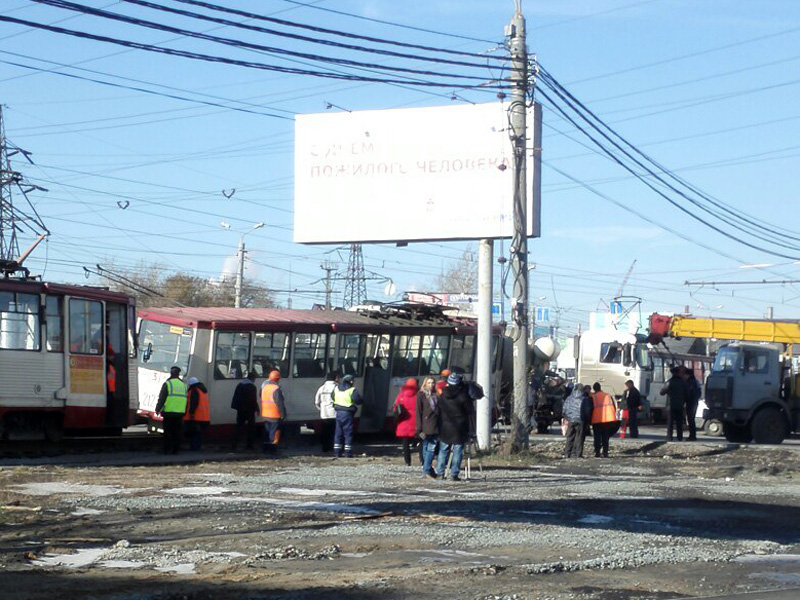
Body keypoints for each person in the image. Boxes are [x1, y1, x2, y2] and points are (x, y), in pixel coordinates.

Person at [436, 371, 473, 481]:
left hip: (446, 425)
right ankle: (454, 473)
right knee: (458, 450)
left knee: (443, 450)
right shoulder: (463, 395)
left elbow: (439, 409)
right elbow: (469, 410)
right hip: (459, 426)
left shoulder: (443, 395)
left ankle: (440, 472)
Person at [155, 366, 187, 455]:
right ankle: (175, 450)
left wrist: (157, 409)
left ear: (171, 373)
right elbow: (186, 399)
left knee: (168, 432)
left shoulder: (168, 384)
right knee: (177, 432)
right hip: (180, 413)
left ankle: (166, 449)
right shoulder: (183, 385)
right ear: (178, 374)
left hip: (169, 412)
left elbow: (162, 398)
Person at [332, 374, 363, 457]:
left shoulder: (336, 388)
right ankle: (348, 452)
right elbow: (358, 400)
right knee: (348, 433)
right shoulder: (352, 390)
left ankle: (337, 452)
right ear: (351, 381)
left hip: (338, 413)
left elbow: (332, 397)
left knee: (338, 433)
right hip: (348, 414)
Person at [416, 376, 440, 479]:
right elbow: (418, 411)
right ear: (425, 384)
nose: (431, 385)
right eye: (429, 383)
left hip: (435, 424)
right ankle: (426, 470)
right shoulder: (421, 395)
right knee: (429, 448)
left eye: (433, 383)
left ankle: (427, 470)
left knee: (428, 448)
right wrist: (419, 427)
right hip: (426, 425)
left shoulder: (436, 395)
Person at [392, 377, 419, 467]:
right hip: (415, 422)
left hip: (404, 422)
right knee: (421, 442)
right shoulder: (419, 396)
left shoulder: (401, 396)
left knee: (405, 444)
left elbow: (395, 408)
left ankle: (408, 462)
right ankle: (422, 461)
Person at [231, 372, 259, 452]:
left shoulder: (240, 385)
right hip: (249, 410)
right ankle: (249, 445)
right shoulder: (252, 387)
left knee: (238, 427)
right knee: (251, 428)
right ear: (253, 378)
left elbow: (235, 397)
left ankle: (234, 445)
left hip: (240, 410)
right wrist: (257, 409)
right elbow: (253, 399)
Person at [261, 370, 287, 455]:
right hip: (274, 414)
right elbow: (279, 403)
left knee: (267, 431)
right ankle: (272, 449)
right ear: (277, 379)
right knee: (274, 432)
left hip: (265, 413)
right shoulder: (276, 389)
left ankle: (265, 448)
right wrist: (283, 414)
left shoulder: (264, 388)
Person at [590, 382, 618, 458]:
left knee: (597, 438)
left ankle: (597, 453)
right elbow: (614, 407)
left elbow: (590, 408)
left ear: (594, 389)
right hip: (607, 420)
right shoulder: (608, 395)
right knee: (605, 437)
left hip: (596, 420)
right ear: (600, 387)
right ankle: (605, 453)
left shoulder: (593, 397)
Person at [660, 366, 688, 441]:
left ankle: (669, 437)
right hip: (680, 405)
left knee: (670, 422)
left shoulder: (669, 382)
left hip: (671, 405)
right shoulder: (683, 382)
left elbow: (662, 392)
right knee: (679, 422)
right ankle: (680, 437)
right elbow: (687, 393)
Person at [314, 371, 339, 452]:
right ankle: (332, 448)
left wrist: (321, 409)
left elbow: (316, 401)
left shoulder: (321, 388)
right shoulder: (337, 387)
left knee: (325, 432)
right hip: (334, 413)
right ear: (335, 378)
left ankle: (325, 448)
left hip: (324, 414)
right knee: (333, 432)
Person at [184, 376, 210, 451]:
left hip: (196, 416)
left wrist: (191, 413)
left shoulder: (194, 390)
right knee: (199, 433)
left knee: (194, 433)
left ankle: (194, 448)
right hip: (204, 417)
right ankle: (197, 447)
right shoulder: (203, 390)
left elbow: (194, 402)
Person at [562, 384, 587, 458]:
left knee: (569, 437)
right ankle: (578, 454)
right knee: (579, 437)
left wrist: (567, 417)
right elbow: (587, 410)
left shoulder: (569, 398)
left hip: (571, 420)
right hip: (581, 420)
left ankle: (567, 453)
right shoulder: (584, 398)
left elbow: (564, 408)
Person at [683, 368, 701, 441]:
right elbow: (699, 393)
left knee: (690, 419)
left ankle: (692, 436)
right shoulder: (696, 382)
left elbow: (687, 393)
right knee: (691, 419)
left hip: (690, 402)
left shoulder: (689, 382)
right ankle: (693, 435)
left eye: (685, 375)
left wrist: (684, 400)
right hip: (695, 402)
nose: (684, 376)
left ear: (688, 375)